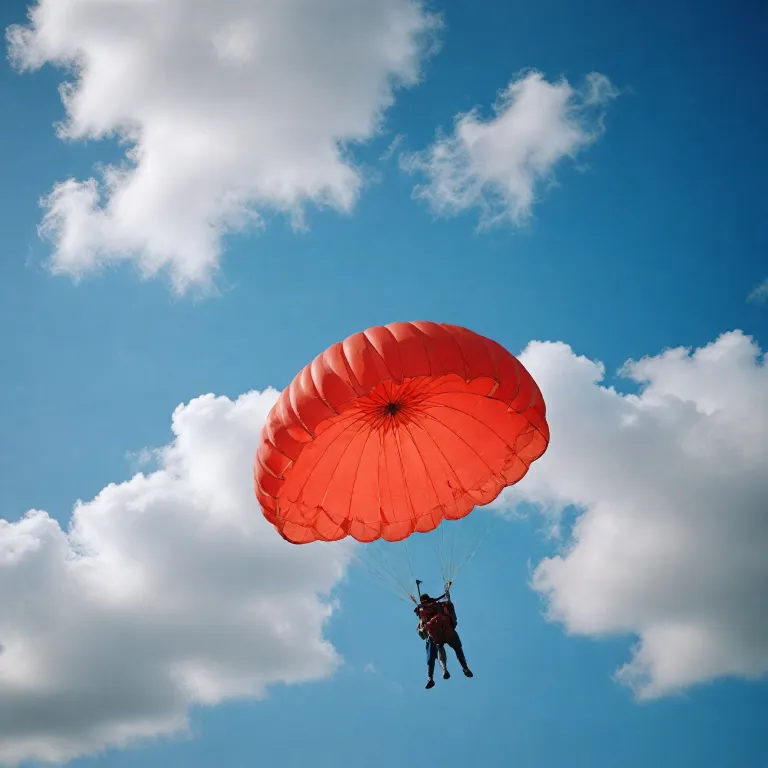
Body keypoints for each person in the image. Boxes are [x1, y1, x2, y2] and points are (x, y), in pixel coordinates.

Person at [415, 583, 473, 689]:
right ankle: (463, 668)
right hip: (446, 631)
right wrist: (446, 591)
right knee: (455, 649)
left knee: (435, 653)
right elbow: (449, 605)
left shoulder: (424, 612)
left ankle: (434, 675)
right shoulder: (437, 606)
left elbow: (422, 634)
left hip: (436, 636)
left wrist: (423, 627)